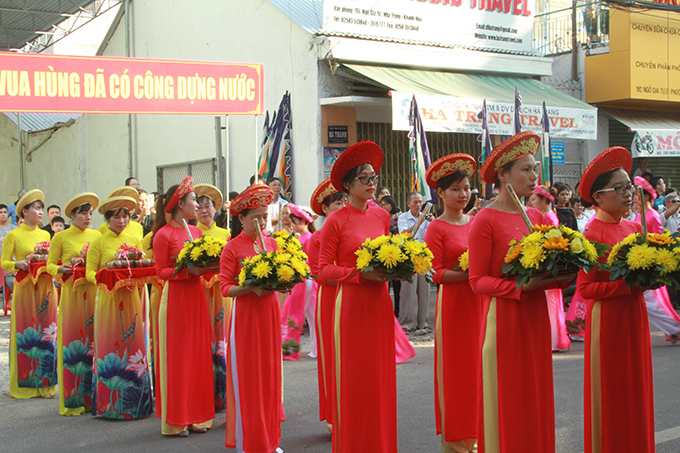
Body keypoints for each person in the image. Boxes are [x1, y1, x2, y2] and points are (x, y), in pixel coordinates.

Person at [468, 131, 574, 452]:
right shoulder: (484, 219)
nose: (533, 176)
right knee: (510, 399)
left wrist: (561, 275)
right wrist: (520, 286)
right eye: (525, 169)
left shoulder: (536, 216)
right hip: (505, 321)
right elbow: (477, 280)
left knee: (537, 394)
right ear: (503, 175)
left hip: (536, 317)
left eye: (535, 169)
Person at [318, 141, 398, 452]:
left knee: (379, 375)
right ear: (348, 185)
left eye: (374, 177)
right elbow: (324, 269)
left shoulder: (381, 217)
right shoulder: (336, 221)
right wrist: (358, 275)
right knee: (354, 377)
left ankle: (379, 441)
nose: (371, 183)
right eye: (364, 178)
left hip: (379, 301)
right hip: (351, 304)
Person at [577, 147, 654, 452]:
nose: (628, 195)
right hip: (608, 323)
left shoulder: (635, 228)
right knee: (613, 391)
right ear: (597, 197)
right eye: (620, 189)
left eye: (629, 188)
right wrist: (625, 286)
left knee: (637, 388)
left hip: (635, 315)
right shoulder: (592, 233)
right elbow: (586, 289)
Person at [423, 153, 483, 453]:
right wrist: (468, 274)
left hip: (481, 305)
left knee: (480, 370)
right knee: (457, 372)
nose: (463, 194)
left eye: (467, 188)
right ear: (441, 193)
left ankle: (479, 436)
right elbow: (433, 272)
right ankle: (457, 441)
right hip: (454, 307)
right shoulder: (437, 228)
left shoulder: (477, 222)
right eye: (456, 189)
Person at [219, 184, 284, 453]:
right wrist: (249, 288)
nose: (261, 222)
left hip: (269, 312)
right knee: (249, 378)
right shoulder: (232, 248)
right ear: (241, 219)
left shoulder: (271, 243)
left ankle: (270, 440)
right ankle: (250, 443)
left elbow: (281, 275)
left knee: (270, 377)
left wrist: (284, 282)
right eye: (255, 217)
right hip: (246, 318)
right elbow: (225, 287)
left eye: (264, 216)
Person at [152, 176, 215, 436]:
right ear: (180, 204)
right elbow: (160, 271)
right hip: (176, 300)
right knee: (178, 359)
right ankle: (176, 420)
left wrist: (209, 268)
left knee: (198, 355)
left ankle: (198, 417)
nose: (198, 205)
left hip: (197, 297)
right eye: (193, 200)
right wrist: (185, 271)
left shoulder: (198, 232)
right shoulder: (163, 235)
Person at [85, 195, 152, 419]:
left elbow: (139, 266)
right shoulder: (99, 242)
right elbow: (89, 272)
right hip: (108, 300)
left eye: (125, 217)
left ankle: (138, 404)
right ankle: (109, 407)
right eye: (117, 217)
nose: (122, 221)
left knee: (134, 345)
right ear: (107, 219)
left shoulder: (133, 239)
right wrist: (105, 278)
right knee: (109, 345)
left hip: (132, 298)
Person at [46, 192, 101, 416]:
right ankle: (74, 399)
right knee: (74, 339)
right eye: (83, 214)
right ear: (72, 215)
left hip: (95, 291)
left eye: (90, 213)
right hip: (72, 294)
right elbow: (48, 265)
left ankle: (96, 397)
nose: (88, 218)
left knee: (95, 339)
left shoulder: (98, 235)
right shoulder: (60, 237)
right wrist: (59, 269)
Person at [1, 190, 58, 399]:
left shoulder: (45, 234)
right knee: (25, 332)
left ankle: (46, 385)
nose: (40, 212)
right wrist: (18, 264)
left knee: (47, 333)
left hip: (45, 286)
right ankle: (24, 385)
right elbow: (3, 262)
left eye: (42, 208)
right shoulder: (13, 235)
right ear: (24, 211)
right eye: (36, 208)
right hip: (24, 287)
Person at [307, 178, 347, 431]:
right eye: (337, 203)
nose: (343, 206)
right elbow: (319, 275)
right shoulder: (317, 238)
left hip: (356, 297)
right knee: (333, 356)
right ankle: (336, 415)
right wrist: (353, 277)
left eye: (345, 201)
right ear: (324, 209)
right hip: (331, 299)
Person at [194, 183, 231, 411]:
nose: (204, 211)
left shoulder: (225, 233)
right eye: (199, 207)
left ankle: (224, 394)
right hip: (200, 290)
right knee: (203, 336)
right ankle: (204, 393)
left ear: (215, 209)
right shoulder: (192, 233)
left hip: (221, 290)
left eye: (208, 206)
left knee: (221, 339)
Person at [633, 176, 680, 344]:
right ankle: (674, 329)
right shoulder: (641, 215)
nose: (634, 198)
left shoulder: (651, 216)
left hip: (649, 264)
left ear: (646, 197)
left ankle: (675, 328)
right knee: (651, 304)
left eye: (637, 195)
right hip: (641, 262)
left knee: (651, 304)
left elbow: (659, 240)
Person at [529, 185, 571, 352]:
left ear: (544, 200)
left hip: (548, 266)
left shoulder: (549, 218)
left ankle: (553, 340)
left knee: (551, 305)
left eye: (533, 199)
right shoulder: (547, 216)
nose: (531, 203)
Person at [281, 204, 318, 360]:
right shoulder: (298, 238)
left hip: (305, 279)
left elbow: (312, 260)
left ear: (305, 222)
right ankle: (317, 349)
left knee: (294, 312)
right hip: (303, 279)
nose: (294, 225)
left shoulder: (308, 238)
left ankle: (290, 349)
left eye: (296, 221)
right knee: (312, 315)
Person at [397, 191, 432, 334]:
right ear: (408, 203)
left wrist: (431, 222)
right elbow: (404, 234)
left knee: (424, 291)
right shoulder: (403, 217)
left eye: (420, 202)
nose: (418, 205)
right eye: (415, 202)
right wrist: (419, 223)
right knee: (407, 292)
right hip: (409, 257)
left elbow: (430, 236)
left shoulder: (425, 219)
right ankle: (406, 324)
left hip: (423, 257)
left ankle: (422, 323)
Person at [380, 195, 402, 317]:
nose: (384, 206)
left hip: (397, 252)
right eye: (382, 204)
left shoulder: (399, 217)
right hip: (385, 252)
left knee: (398, 285)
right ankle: (387, 309)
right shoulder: (382, 218)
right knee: (386, 284)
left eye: (386, 204)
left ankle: (397, 310)